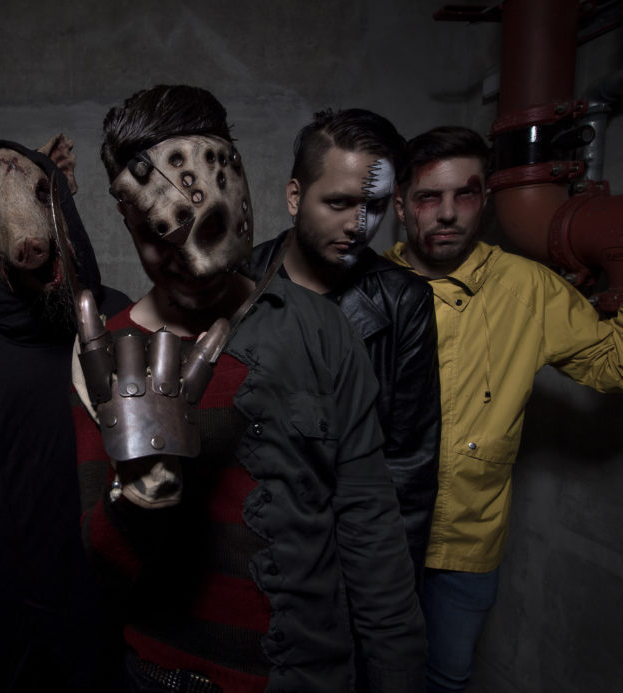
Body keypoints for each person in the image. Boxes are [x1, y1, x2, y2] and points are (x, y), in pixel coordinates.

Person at [73, 84, 425, 693]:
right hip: (162, 679)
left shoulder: (321, 331)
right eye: (161, 234)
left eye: (208, 226)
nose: (194, 264)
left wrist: (398, 678)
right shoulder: (107, 357)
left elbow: (371, 529)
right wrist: (133, 503)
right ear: (131, 222)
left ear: (238, 189)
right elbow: (97, 574)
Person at [384, 125, 623, 692]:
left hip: (468, 547)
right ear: (400, 206)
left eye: (464, 194)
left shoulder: (526, 288)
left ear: (486, 199)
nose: (448, 213)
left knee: (446, 678)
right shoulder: (369, 289)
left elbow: (612, 364)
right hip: (377, 544)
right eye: (428, 197)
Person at [0, 138, 130, 691]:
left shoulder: (120, 318)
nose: (27, 239)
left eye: (39, 195)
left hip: (103, 594)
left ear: (63, 192)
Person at [250, 108, 440, 591]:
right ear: (295, 196)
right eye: (338, 202)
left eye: (375, 206)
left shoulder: (404, 302)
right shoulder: (238, 283)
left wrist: (388, 595)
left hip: (344, 564)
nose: (358, 224)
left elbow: (409, 468)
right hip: (246, 549)